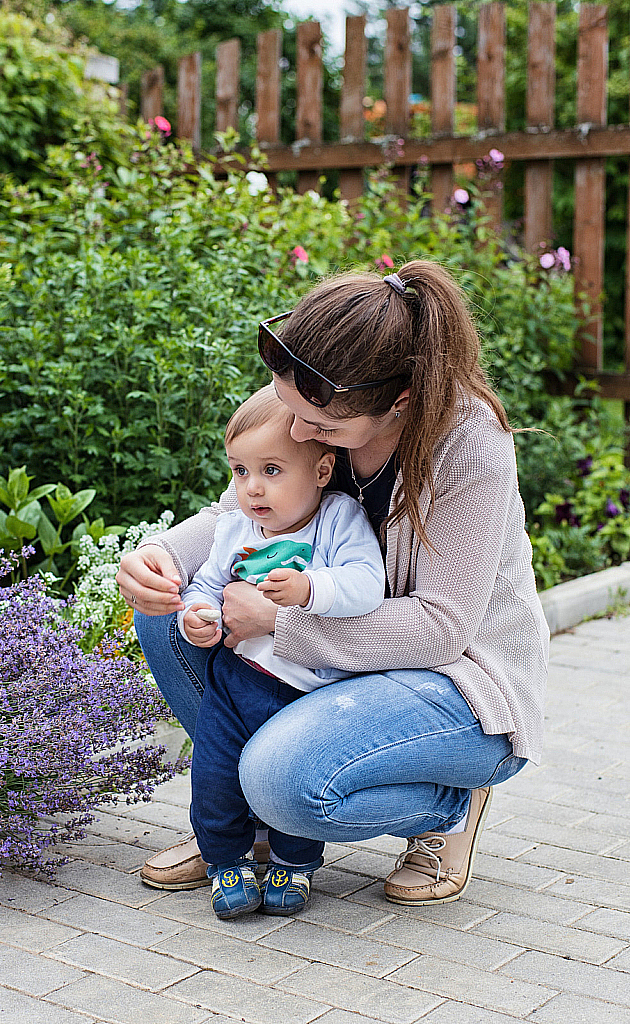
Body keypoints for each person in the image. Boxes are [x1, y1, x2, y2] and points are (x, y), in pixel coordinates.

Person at [116, 260, 549, 907]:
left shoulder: (468, 443)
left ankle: (448, 807)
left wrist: (278, 623)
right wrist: (160, 555)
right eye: (292, 410)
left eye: (319, 429)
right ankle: (237, 822)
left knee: (284, 783)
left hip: (456, 680)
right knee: (167, 611)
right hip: (344, 655)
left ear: (400, 402)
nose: (297, 433)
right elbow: (237, 514)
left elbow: (441, 627)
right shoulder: (319, 390)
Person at [180, 384, 385, 919]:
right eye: (240, 471)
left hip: (309, 689)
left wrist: (310, 589)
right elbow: (207, 584)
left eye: (271, 470)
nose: (252, 488)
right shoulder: (237, 528)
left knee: (290, 770)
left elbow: (367, 584)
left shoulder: (337, 519)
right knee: (215, 775)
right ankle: (225, 862)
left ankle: (294, 863)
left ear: (321, 470)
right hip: (237, 681)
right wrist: (197, 615)